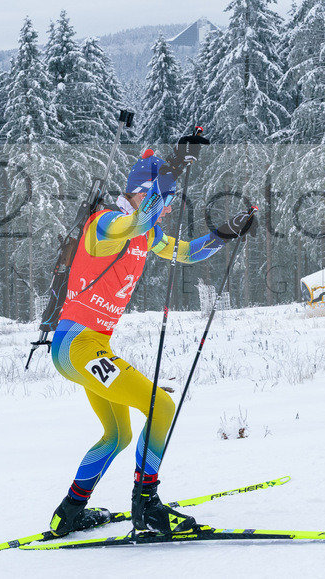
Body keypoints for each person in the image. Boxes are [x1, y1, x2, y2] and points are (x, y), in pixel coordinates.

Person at [48, 142, 255, 537]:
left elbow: (187, 253)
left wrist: (225, 233)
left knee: (118, 435)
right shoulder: (105, 225)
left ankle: (68, 513)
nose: (169, 209)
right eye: (166, 200)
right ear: (142, 193)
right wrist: (169, 173)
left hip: (88, 348)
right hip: (78, 346)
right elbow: (135, 224)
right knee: (161, 408)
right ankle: (147, 505)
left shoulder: (149, 233)